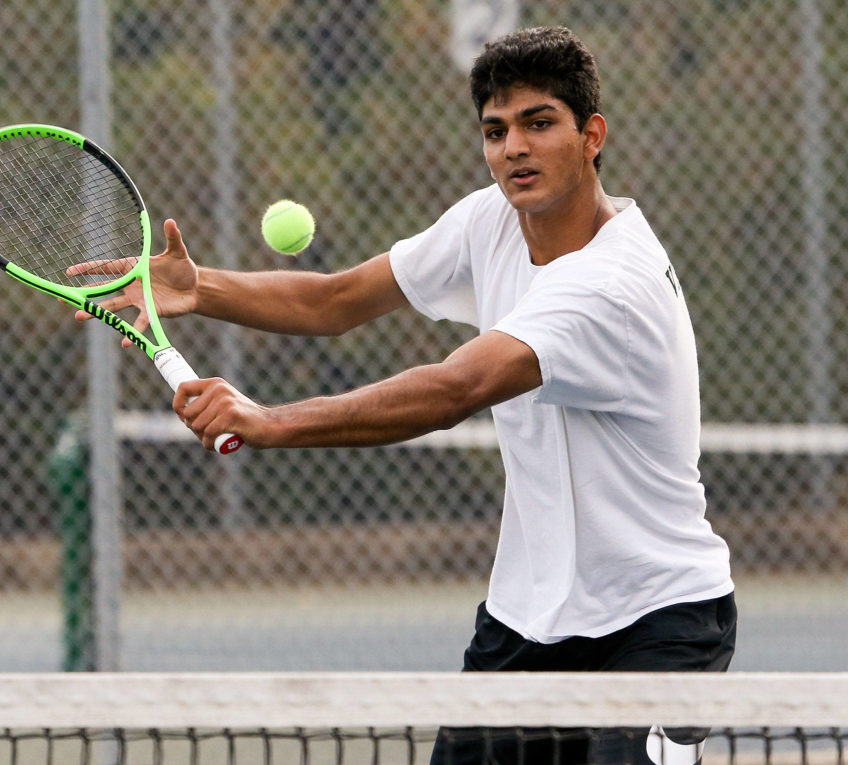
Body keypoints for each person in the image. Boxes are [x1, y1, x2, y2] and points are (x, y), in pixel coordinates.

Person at [72, 26, 735, 765]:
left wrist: (270, 421)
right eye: (496, 130)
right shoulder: (491, 220)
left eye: (539, 123)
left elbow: (458, 385)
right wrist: (201, 289)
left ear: (592, 136)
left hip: (658, 622)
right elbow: (336, 299)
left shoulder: (614, 284)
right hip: (527, 619)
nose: (513, 147)